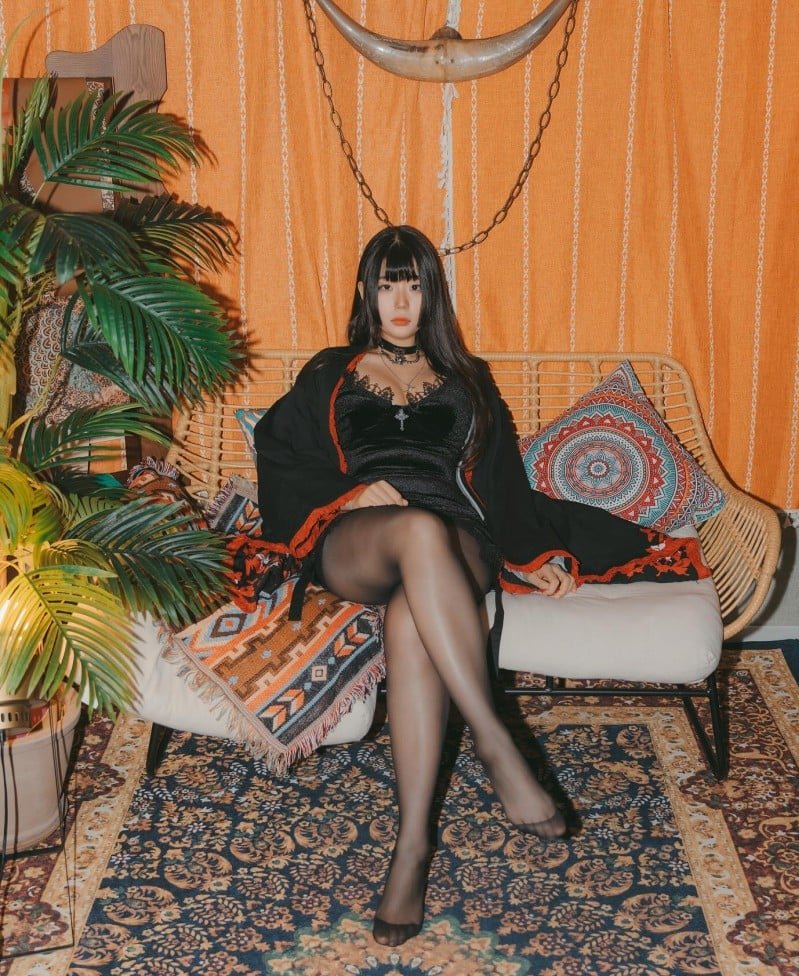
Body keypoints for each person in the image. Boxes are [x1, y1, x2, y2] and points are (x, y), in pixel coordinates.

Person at [254, 225, 709, 947]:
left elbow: (502, 482)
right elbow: (277, 451)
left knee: (415, 600)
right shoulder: (330, 371)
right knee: (412, 531)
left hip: (456, 539)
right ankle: (496, 741)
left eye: (413, 285)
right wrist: (350, 494)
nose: (400, 300)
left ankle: (410, 849)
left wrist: (529, 553)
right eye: (386, 284)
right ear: (366, 291)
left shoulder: (467, 377)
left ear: (431, 293)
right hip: (360, 537)